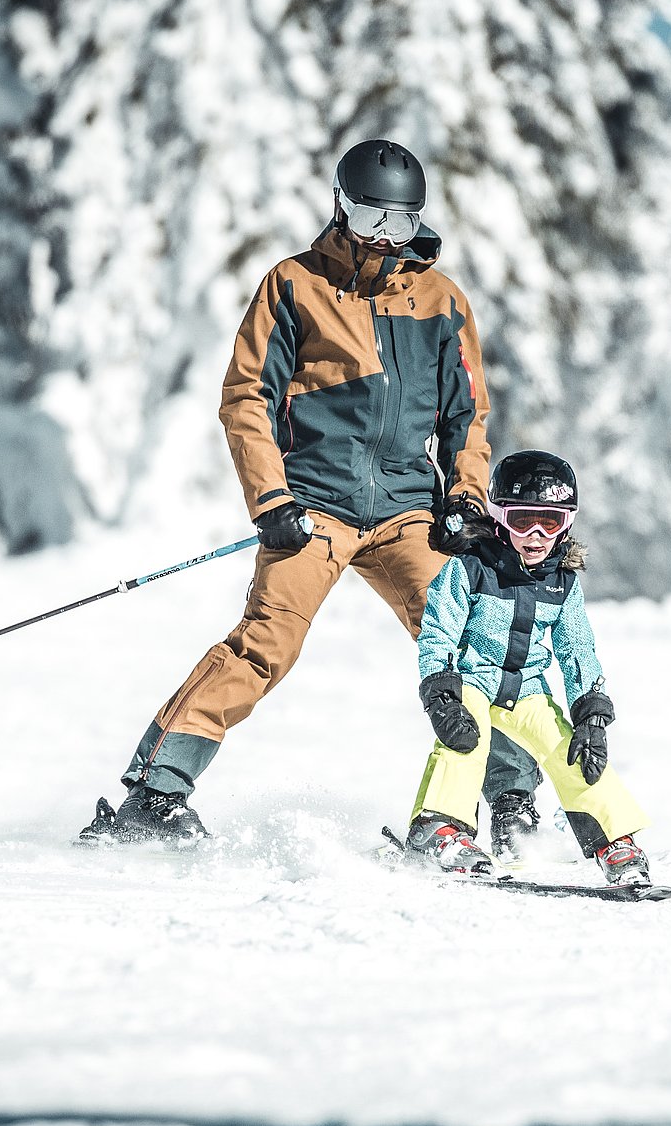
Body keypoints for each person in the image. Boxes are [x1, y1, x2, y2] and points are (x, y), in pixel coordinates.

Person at [80, 139, 540, 843]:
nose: (387, 237)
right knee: (267, 644)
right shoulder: (293, 285)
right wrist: (271, 501)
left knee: (469, 641)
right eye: (372, 217)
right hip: (315, 510)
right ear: (339, 205)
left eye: (402, 222)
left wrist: (465, 499)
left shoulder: (442, 302)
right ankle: (155, 795)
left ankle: (511, 798)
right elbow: (246, 398)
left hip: (408, 512)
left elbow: (466, 414)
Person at [403, 450, 655, 886]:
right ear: (499, 517)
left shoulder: (562, 581)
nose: (536, 535)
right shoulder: (470, 568)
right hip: (473, 680)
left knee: (572, 750)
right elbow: (438, 630)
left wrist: (590, 712)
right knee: (466, 739)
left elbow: (577, 647)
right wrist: (442, 693)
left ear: (567, 524)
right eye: (522, 521)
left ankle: (615, 840)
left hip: (527, 689)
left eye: (551, 522)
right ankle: (437, 829)